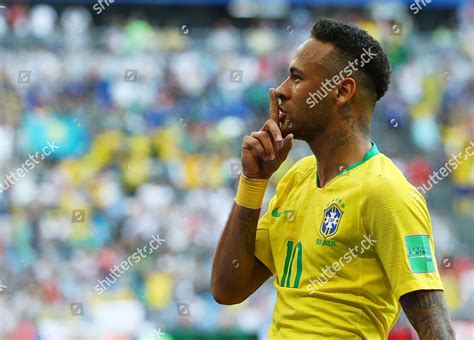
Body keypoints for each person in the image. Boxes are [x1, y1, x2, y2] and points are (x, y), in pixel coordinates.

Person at [211, 18, 455, 339]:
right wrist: (253, 182)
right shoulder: (296, 179)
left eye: (296, 78)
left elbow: (437, 329)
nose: (280, 91)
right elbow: (228, 289)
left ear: (341, 91)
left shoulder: (386, 191)